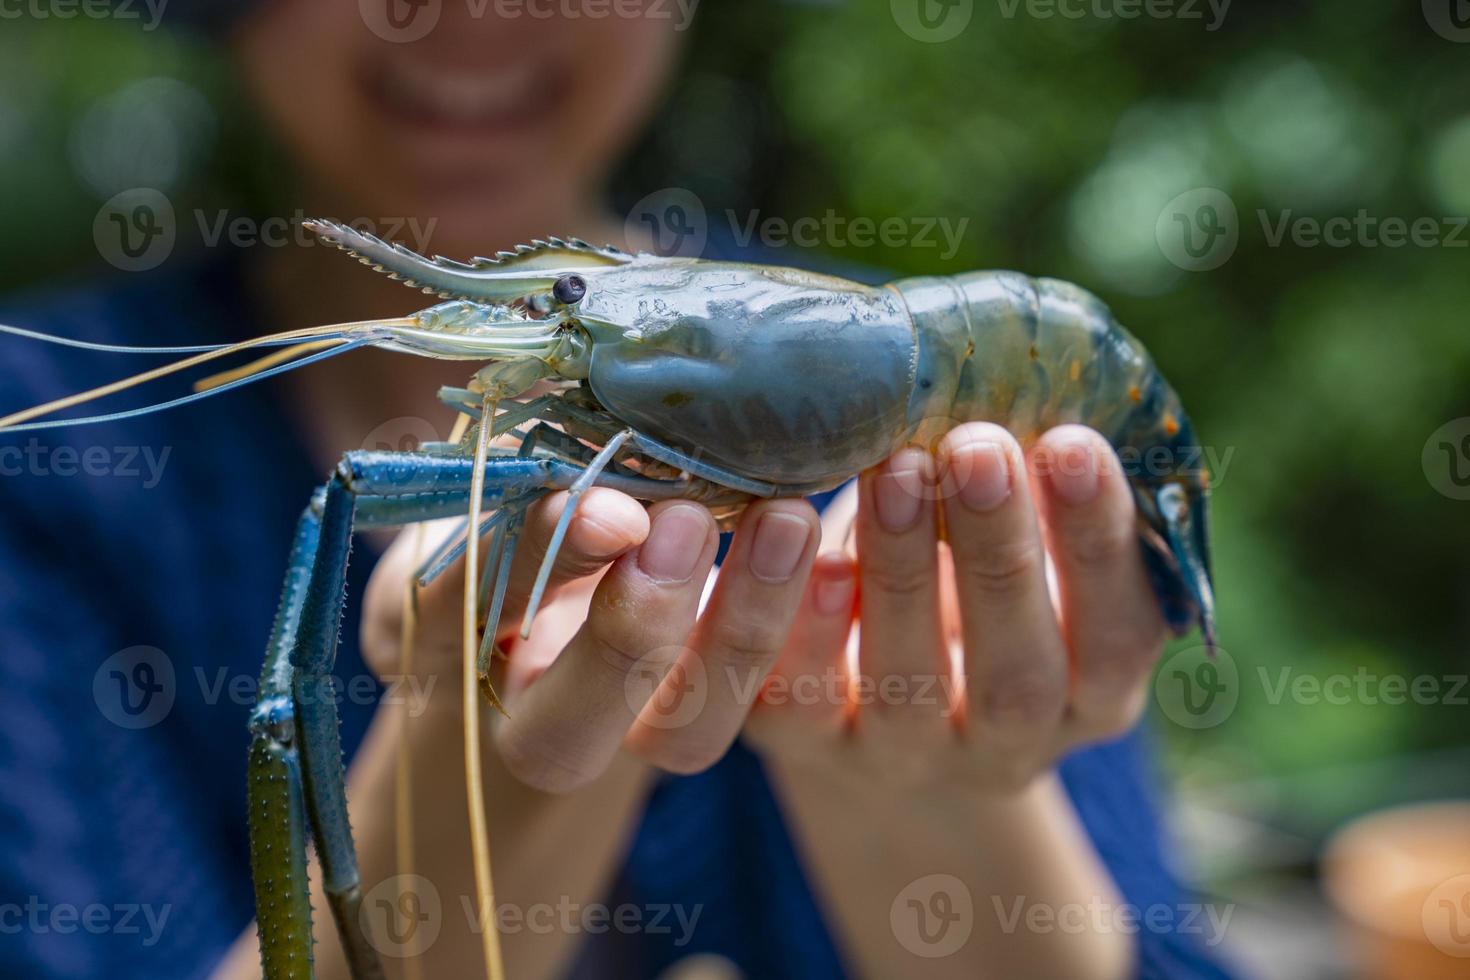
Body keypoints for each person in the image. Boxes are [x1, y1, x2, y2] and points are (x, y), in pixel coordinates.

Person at [0, 4, 1236, 978]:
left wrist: (921, 775)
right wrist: (467, 768)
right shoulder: (40, 448)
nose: (470, 16)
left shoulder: (976, 448)